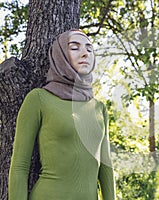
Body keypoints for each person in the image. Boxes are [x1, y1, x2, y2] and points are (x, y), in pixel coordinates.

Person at [8, 29, 116, 200]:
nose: (84, 54)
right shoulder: (39, 98)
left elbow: (106, 167)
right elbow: (20, 166)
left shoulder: (99, 108)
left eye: (89, 49)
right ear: (60, 56)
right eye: (75, 48)